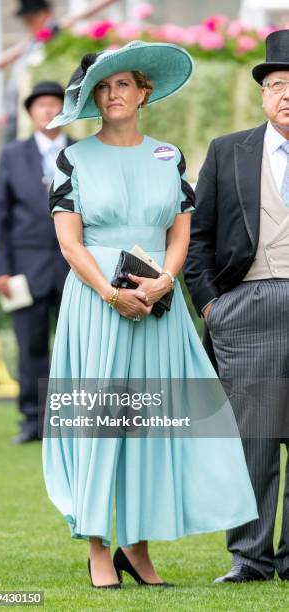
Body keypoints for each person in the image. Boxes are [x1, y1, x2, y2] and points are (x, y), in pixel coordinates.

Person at [42, 40, 258, 589]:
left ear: (145, 94)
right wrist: (112, 295)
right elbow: (70, 244)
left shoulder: (171, 156)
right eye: (105, 86)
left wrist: (164, 280)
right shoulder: (74, 158)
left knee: (151, 425)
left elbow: (181, 232)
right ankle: (96, 545)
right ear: (95, 96)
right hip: (96, 305)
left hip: (160, 305)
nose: (114, 94)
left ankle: (137, 548)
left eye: (125, 85)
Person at [184, 29, 289, 583]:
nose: (286, 94)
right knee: (252, 441)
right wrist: (211, 306)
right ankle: (250, 558)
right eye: (277, 84)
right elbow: (197, 239)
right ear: (263, 94)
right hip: (245, 308)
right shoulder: (229, 150)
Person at [0, 81, 73, 444]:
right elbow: (1, 216)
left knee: (76, 346)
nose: (48, 110)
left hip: (76, 267)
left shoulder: (83, 151)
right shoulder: (13, 154)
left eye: (55, 104)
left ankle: (74, 419)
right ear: (30, 113)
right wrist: (1, 269)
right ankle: (33, 420)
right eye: (41, 105)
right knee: (31, 347)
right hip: (25, 268)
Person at [0, 0, 117, 141]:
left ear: (45, 14)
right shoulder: (33, 43)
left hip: (48, 108)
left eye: (32, 18)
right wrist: (8, 108)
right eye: (27, 19)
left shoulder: (58, 39)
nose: (29, 23)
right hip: (21, 109)